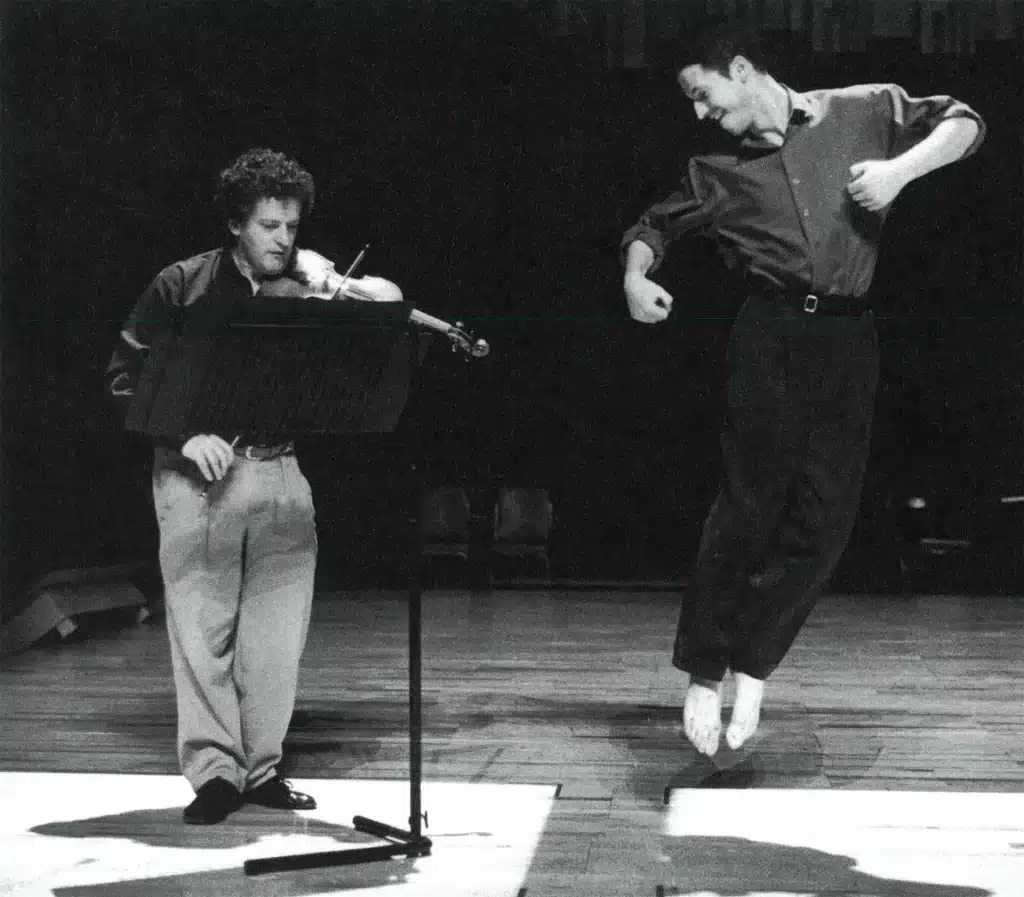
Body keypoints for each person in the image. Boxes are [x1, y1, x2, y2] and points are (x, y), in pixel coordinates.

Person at [621, 20, 984, 757]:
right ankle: (703, 668)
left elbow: (965, 122)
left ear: (745, 70)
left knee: (826, 518)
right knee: (749, 503)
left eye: (704, 94)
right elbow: (654, 226)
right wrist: (634, 276)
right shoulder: (718, 169)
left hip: (849, 338)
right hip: (771, 333)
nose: (699, 113)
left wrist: (900, 172)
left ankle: (753, 662)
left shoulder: (862, 108)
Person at [107, 148, 326, 823]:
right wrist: (179, 435)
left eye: (291, 227)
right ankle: (214, 773)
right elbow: (124, 375)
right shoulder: (182, 284)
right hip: (199, 471)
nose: (283, 240)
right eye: (268, 226)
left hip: (281, 464)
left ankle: (261, 767)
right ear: (237, 222)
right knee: (205, 629)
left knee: (277, 633)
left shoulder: (306, 283)